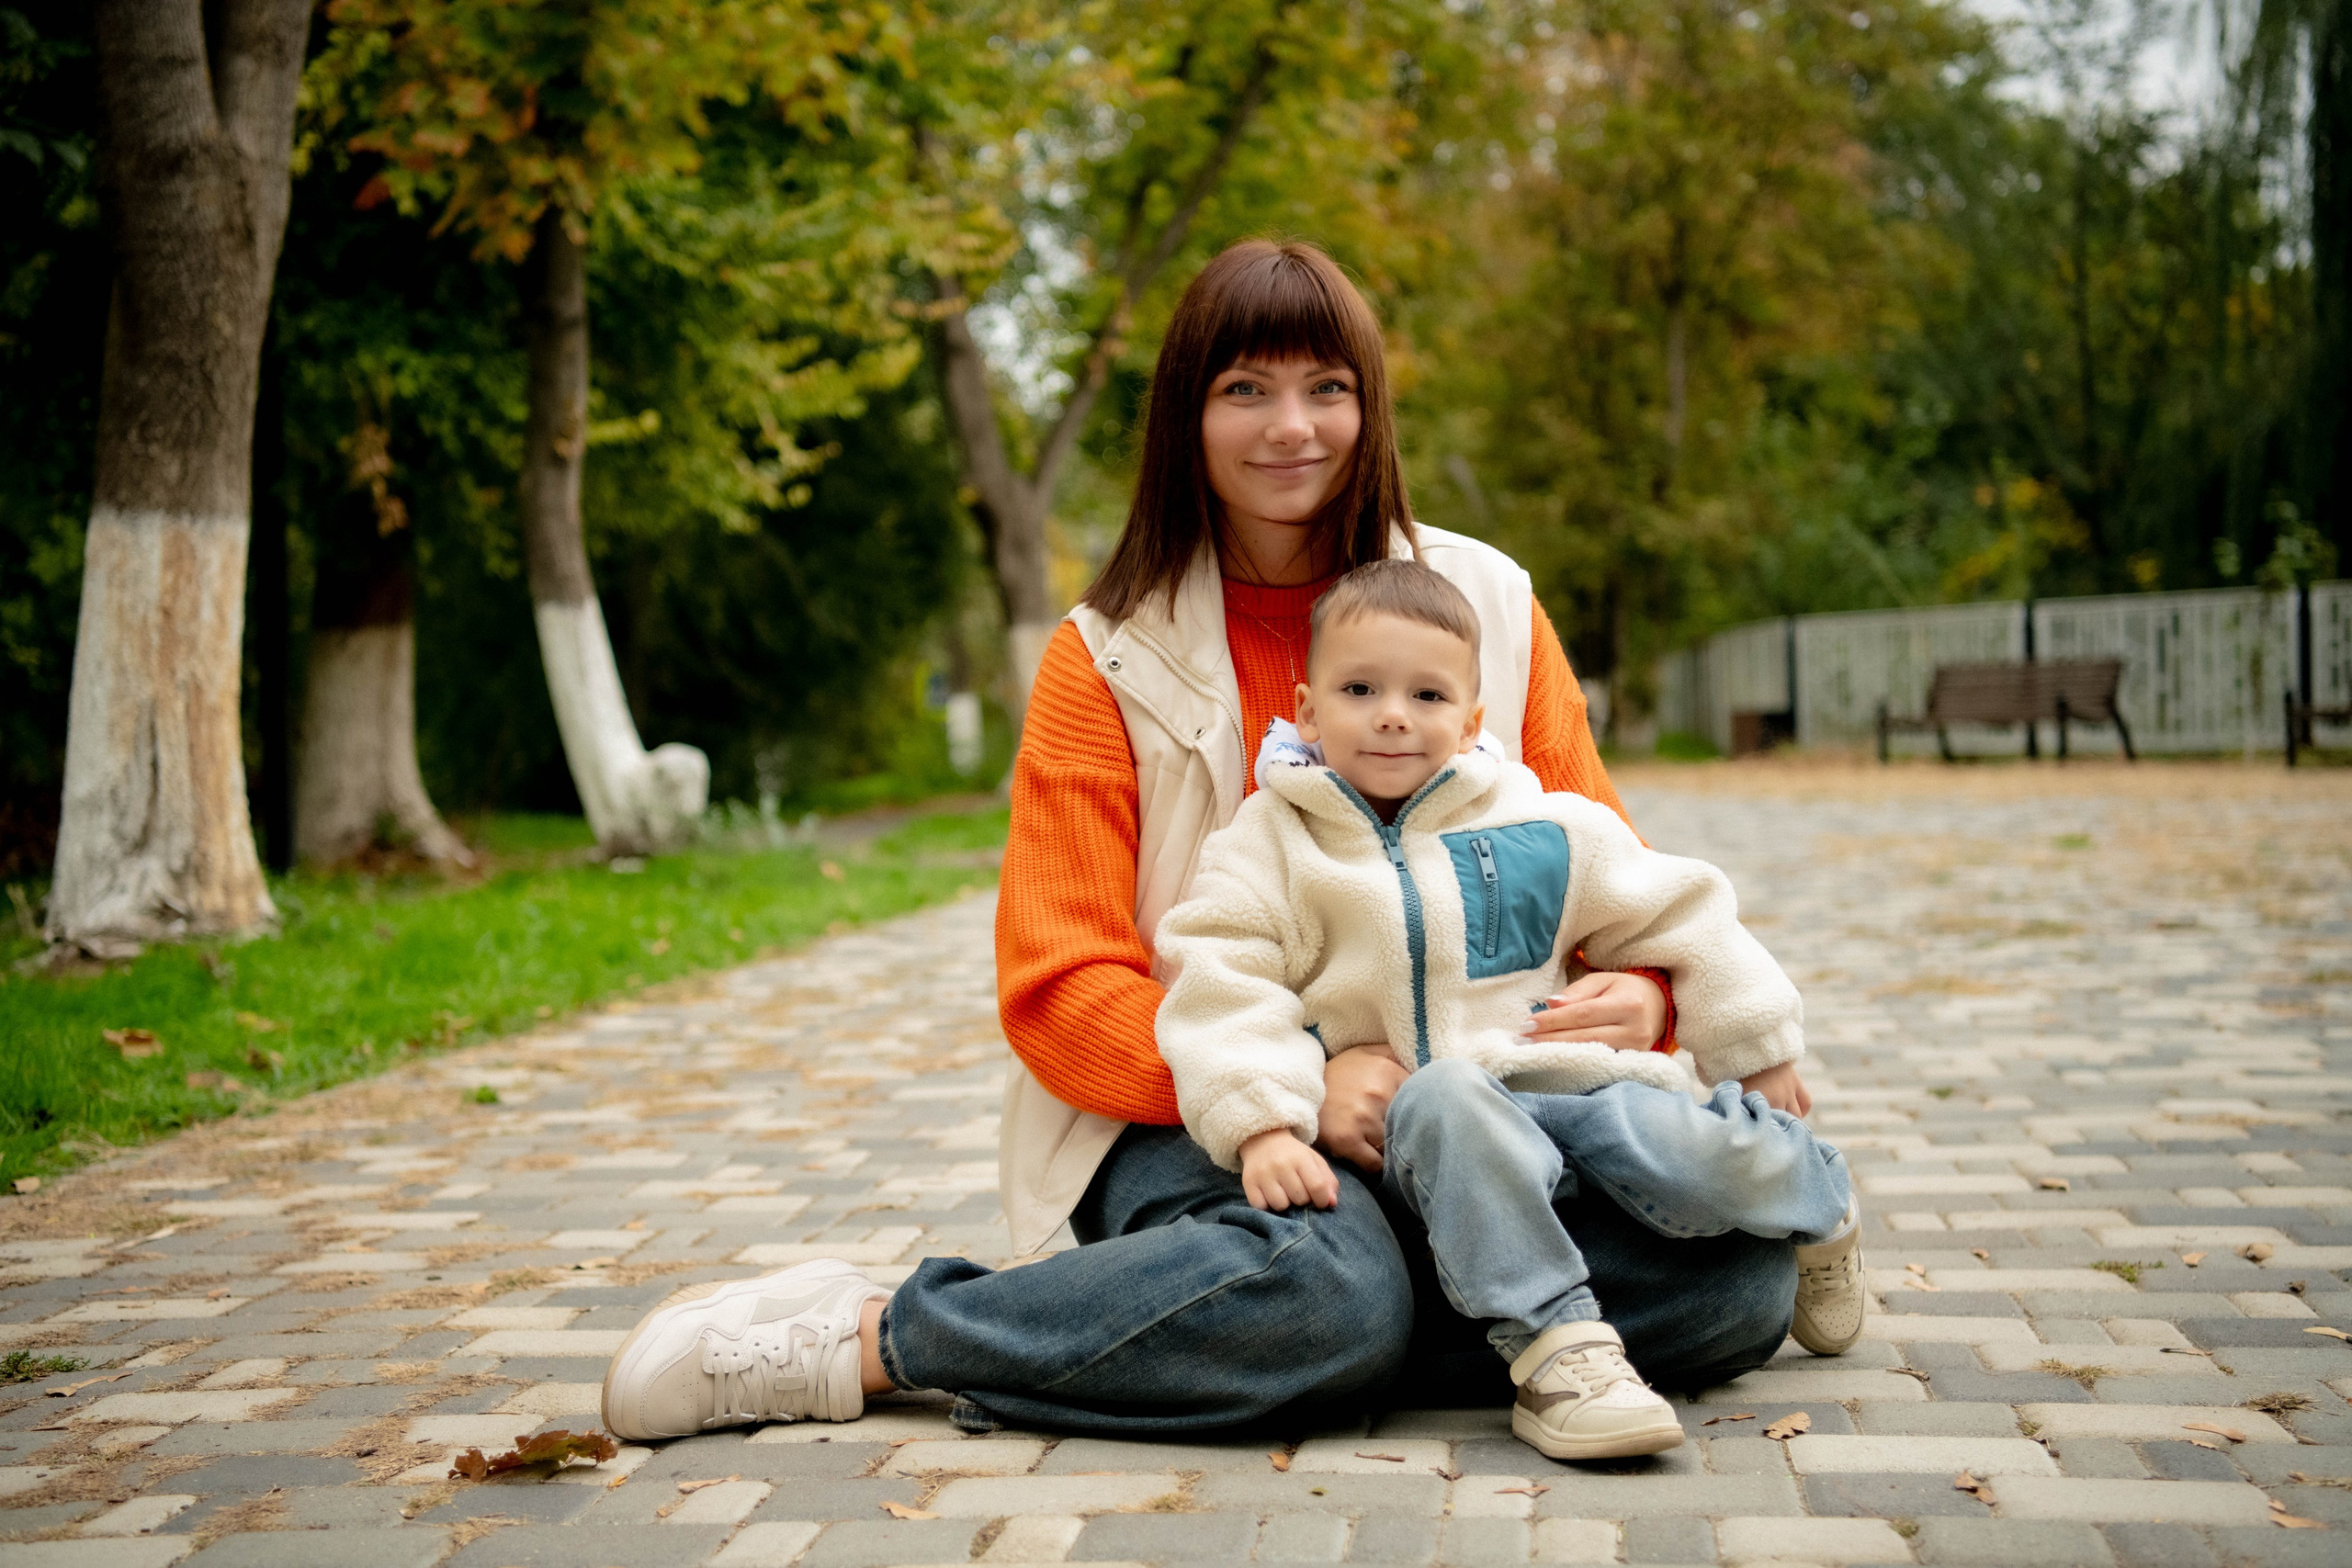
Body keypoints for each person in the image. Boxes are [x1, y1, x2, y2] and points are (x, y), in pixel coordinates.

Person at [601, 237, 1830, 1444]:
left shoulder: (1488, 604)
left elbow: (1609, 870)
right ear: (1186, 415)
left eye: (1326, 387)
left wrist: (1651, 997)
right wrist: (1294, 1080)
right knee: (1333, 1285)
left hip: (1482, 1097)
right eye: (1245, 388)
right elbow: (1059, 984)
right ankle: (873, 1334)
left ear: (1369, 405)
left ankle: (1278, 1323)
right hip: (1196, 1106)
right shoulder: (1105, 655)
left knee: (1732, 1282)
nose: (1290, 425)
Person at [1152, 557, 1861, 1461]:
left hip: (1567, 1083)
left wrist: (1755, 1044)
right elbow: (1225, 988)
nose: (1393, 714)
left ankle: (1819, 1199)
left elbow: (1681, 910)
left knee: (1693, 1148)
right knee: (1446, 1094)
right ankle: (1559, 1354)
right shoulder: (1267, 846)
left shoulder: (1541, 826)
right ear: (1304, 707)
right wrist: (1263, 1124)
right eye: (1359, 688)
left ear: (1472, 718)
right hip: (1425, 1127)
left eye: (1427, 694)